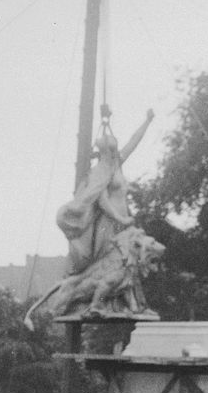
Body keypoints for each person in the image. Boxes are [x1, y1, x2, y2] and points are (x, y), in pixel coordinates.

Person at [55, 105, 155, 276]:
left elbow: (133, 141)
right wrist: (121, 219)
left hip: (122, 221)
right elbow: (102, 201)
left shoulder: (116, 164)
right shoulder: (99, 172)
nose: (116, 152)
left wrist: (147, 122)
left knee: (126, 266)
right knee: (109, 266)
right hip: (108, 223)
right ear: (105, 151)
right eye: (113, 150)